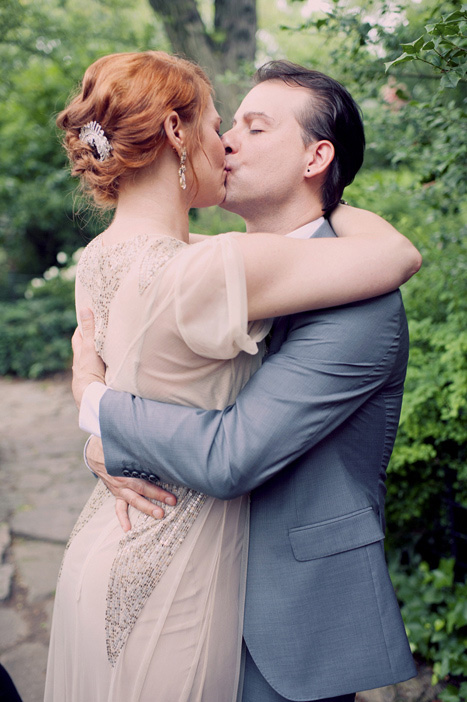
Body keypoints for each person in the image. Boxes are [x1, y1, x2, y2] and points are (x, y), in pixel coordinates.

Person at [49, 51, 421, 702]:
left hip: (283, 628)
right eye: (226, 124)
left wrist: (96, 404)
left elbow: (230, 453)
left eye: (254, 127)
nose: (223, 140)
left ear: (314, 159)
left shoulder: (362, 300)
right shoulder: (199, 265)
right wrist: (100, 443)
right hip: (179, 586)